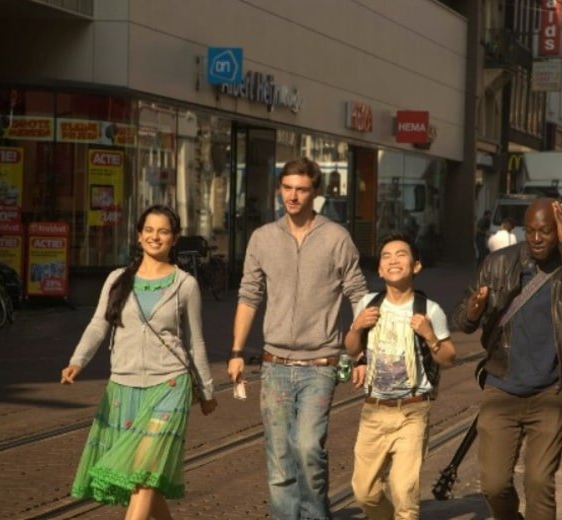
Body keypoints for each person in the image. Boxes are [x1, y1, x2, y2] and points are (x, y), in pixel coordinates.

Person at [226, 157, 368, 520]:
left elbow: (358, 296)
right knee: (278, 461)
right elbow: (249, 296)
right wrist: (237, 351)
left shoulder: (337, 238)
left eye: (301, 189)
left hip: (321, 364)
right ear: (279, 190)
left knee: (307, 448)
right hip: (274, 365)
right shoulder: (263, 238)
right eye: (287, 188)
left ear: (315, 193)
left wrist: (360, 351)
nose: (293, 196)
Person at [61, 204, 217, 520]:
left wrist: (208, 390)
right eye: (149, 230)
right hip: (124, 387)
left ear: (174, 239)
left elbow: (195, 341)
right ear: (138, 236)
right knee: (142, 476)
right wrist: (78, 360)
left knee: (145, 475)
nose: (154, 237)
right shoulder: (118, 279)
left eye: (163, 231)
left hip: (170, 387)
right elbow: (97, 325)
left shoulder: (184, 284)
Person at [453, 197, 562, 520]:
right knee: (493, 486)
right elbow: (462, 320)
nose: (536, 238)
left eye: (546, 232)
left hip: (550, 392)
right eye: (531, 231)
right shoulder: (498, 263)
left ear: (560, 230)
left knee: (538, 483)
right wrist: (472, 310)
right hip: (502, 388)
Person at [345, 233, 456, 519]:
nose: (393, 260)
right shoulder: (368, 304)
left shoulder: (430, 310)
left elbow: (448, 357)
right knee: (364, 492)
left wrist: (430, 335)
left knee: (404, 491)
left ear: (416, 266)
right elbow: (352, 348)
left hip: (412, 411)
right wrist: (356, 327)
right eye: (386, 256)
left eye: (401, 254)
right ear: (380, 270)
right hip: (373, 410)